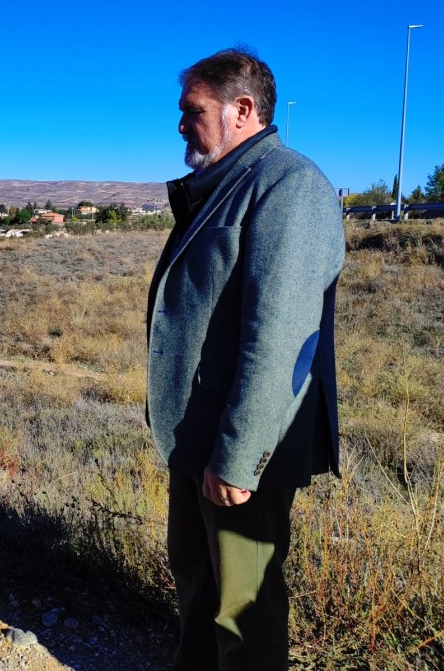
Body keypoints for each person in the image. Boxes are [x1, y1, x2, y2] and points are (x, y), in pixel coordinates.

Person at [146, 48, 344, 670]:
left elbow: (281, 337)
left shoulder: (289, 186)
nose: (180, 124)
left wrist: (238, 456)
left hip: (240, 449)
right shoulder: (224, 185)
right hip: (196, 438)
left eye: (192, 111)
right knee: (197, 585)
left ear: (242, 109)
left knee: (243, 613)